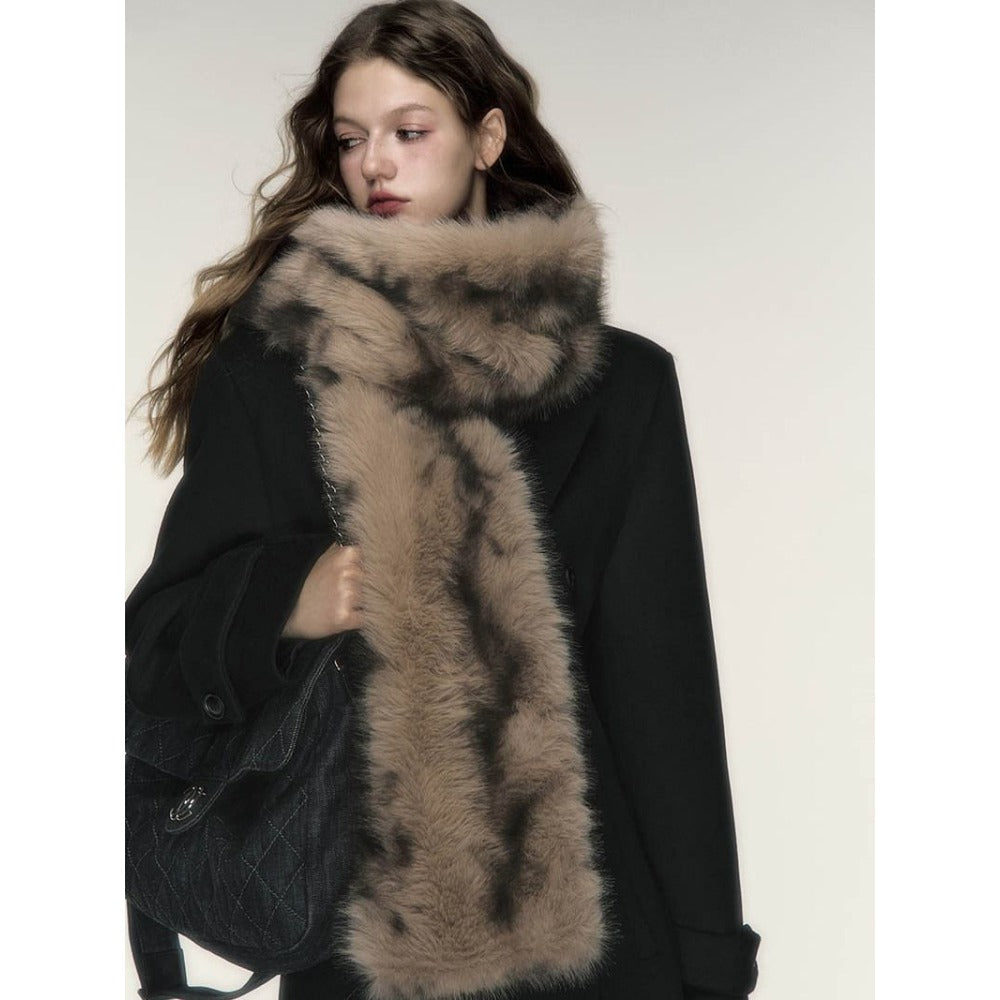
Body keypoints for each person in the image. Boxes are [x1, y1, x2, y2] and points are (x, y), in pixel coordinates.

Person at [125, 2, 761, 998]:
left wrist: (711, 959)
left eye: (409, 131)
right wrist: (286, 598)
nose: (375, 163)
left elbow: (664, 695)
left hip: (595, 951)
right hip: (362, 945)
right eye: (351, 140)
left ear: (486, 138)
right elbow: (153, 647)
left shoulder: (623, 387)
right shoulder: (271, 376)